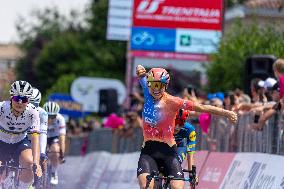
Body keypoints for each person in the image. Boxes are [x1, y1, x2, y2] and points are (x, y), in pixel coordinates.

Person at [136, 65, 237, 189]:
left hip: (169, 152)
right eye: (153, 85)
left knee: (178, 187)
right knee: (146, 186)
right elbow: (141, 75)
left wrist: (226, 113)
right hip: (148, 152)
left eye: (160, 85)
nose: (156, 89)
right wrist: (140, 70)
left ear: (166, 85)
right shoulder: (147, 91)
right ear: (149, 85)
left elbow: (203, 107)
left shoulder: (173, 101)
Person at [0, 80, 41, 189]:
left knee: (30, 163)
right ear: (11, 97)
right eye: (17, 98)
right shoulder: (2, 108)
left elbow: (35, 137)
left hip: (19, 142)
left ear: (28, 100)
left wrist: (36, 162)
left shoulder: (32, 112)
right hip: (1, 142)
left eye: (24, 99)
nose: (20, 102)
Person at [43, 101, 66, 185]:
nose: (51, 119)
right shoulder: (39, 116)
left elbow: (62, 137)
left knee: (55, 150)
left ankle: (54, 173)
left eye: (53, 116)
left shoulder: (60, 119)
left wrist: (62, 154)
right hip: (43, 136)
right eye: (49, 116)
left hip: (54, 137)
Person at [174, 109, 198, 182]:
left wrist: (192, 174)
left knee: (175, 163)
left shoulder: (189, 129)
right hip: (164, 147)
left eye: (181, 123)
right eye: (175, 122)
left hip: (179, 147)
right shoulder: (164, 125)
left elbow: (190, 154)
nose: (177, 127)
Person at [29, 88, 48, 170]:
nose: (32, 107)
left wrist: (42, 152)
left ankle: (38, 179)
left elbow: (43, 133)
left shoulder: (42, 113)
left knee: (39, 158)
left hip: (35, 136)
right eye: (30, 103)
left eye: (35, 104)